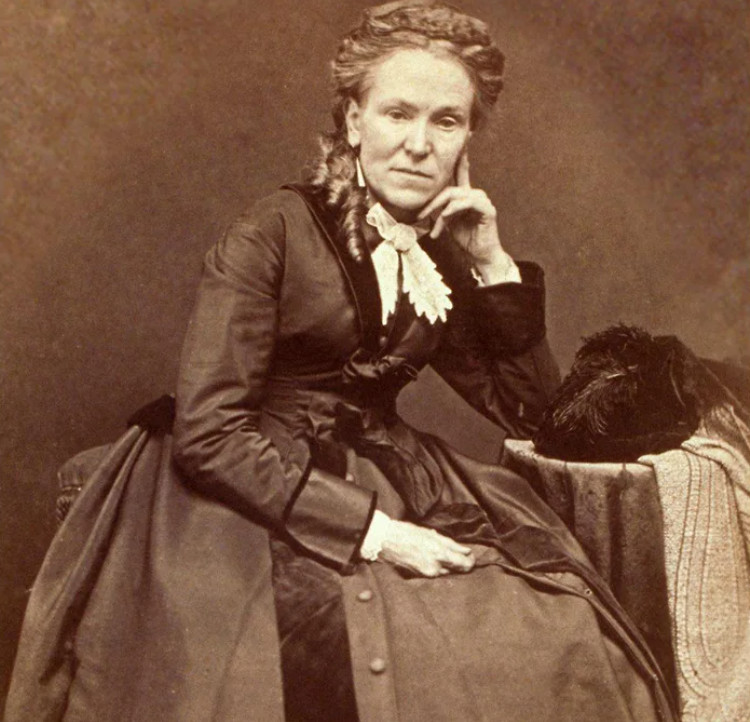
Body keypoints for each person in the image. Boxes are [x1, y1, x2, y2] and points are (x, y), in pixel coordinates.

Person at [5, 2, 677, 721]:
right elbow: (209, 433)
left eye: (446, 121)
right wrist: (381, 535)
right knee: (307, 657)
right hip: (245, 482)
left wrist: (491, 263)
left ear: (467, 140)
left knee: (557, 631)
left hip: (390, 470)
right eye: (397, 114)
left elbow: (538, 416)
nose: (418, 145)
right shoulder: (270, 232)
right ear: (355, 121)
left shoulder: (439, 251)